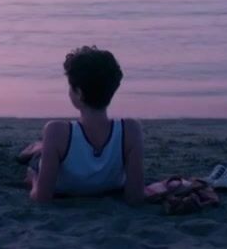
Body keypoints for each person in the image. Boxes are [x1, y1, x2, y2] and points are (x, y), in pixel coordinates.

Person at [21, 46, 144, 204]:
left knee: (38, 156)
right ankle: (38, 147)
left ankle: (36, 148)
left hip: (55, 155)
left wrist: (34, 178)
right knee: (46, 149)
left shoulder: (56, 131)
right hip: (71, 150)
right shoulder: (131, 130)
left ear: (78, 93)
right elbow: (135, 197)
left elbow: (41, 198)